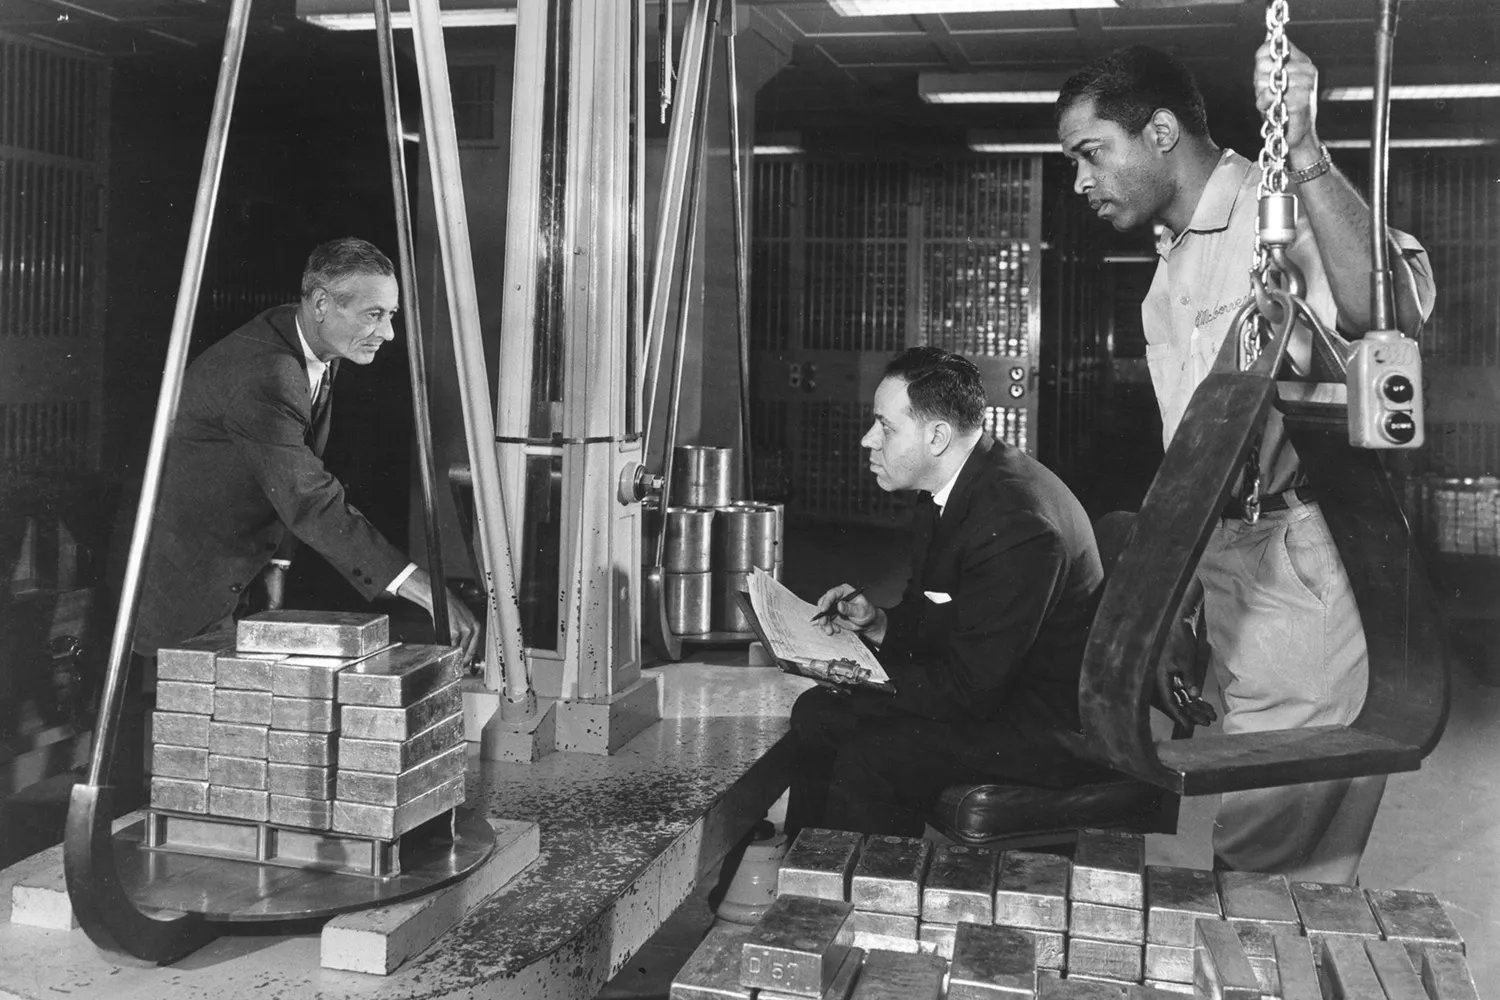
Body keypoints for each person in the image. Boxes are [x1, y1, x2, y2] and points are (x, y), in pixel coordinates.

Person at [1056, 44, 1434, 883]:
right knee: (1263, 849)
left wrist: (1303, 150)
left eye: (1091, 153)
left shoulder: (1278, 204)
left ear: (1159, 131)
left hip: (1300, 565)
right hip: (1227, 561)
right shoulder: (1170, 269)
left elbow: (1391, 311)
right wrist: (1182, 597)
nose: (1081, 181)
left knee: (1271, 863)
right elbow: (1196, 452)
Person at [785, 346, 1110, 837]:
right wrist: (877, 623)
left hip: (1042, 728)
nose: (867, 439)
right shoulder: (953, 487)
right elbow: (933, 618)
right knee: (816, 712)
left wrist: (860, 676)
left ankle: (868, 902)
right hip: (996, 692)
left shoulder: (1018, 522)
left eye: (886, 427)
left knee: (872, 755)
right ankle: (806, 877)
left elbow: (971, 692)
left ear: (936, 436)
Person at [134, 237, 480, 663]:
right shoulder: (267, 373)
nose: (388, 333)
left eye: (391, 315)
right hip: (184, 590)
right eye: (374, 315)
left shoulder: (309, 343)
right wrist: (425, 589)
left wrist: (278, 564)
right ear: (321, 304)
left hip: (238, 574)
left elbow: (280, 468)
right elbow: (310, 498)